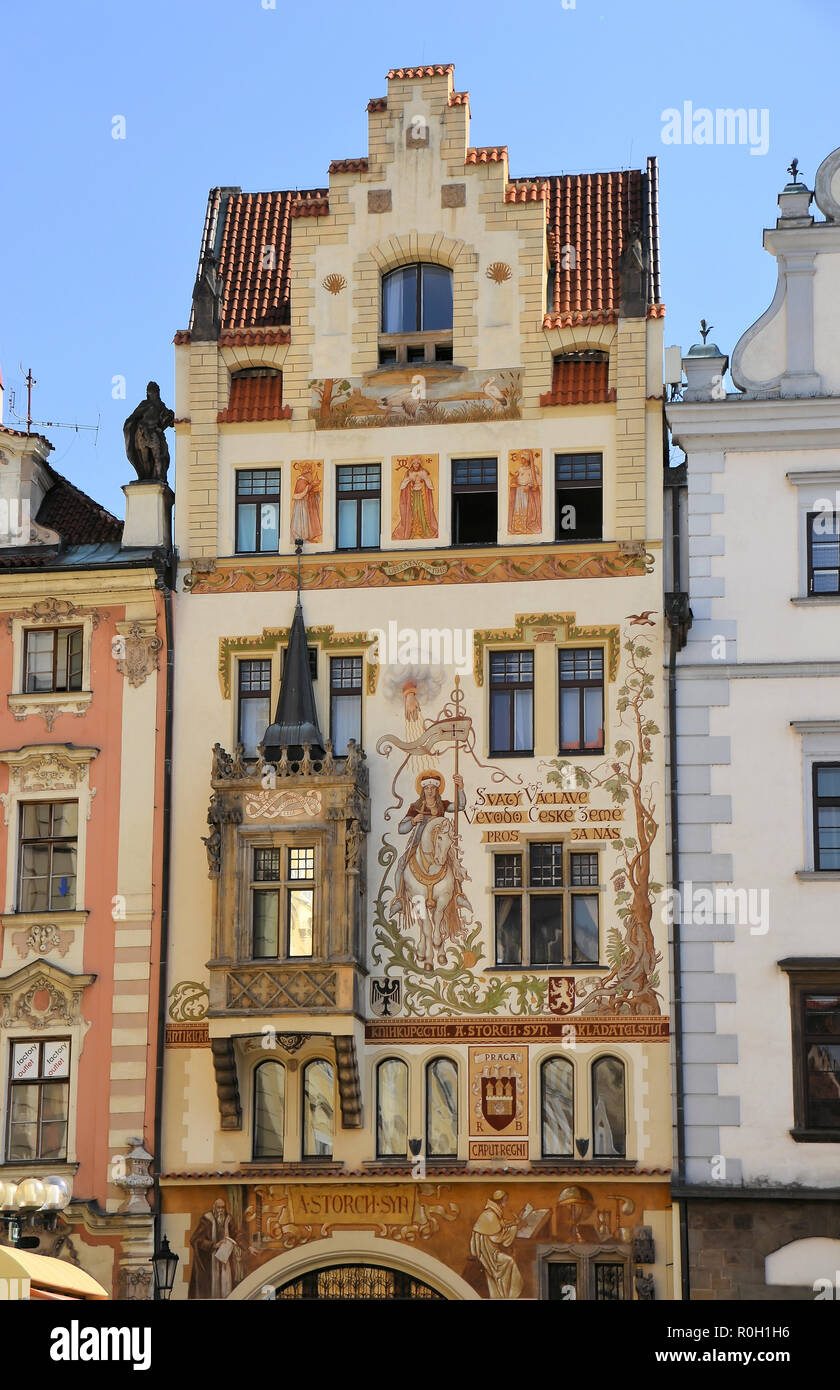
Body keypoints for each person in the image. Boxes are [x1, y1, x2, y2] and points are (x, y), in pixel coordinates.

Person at [390, 770, 468, 921]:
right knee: (401, 864)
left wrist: (460, 788)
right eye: (427, 788)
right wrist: (413, 821)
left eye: (433, 787)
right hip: (418, 842)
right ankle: (399, 898)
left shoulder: (442, 805)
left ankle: (458, 894)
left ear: (437, 789)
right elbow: (401, 828)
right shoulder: (416, 806)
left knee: (454, 864)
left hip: (439, 844)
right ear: (423, 789)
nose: (430, 790)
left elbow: (461, 806)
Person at [470, 1191, 523, 1299]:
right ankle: (509, 1295)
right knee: (509, 1261)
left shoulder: (493, 1213)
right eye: (506, 1200)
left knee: (509, 1261)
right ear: (500, 1201)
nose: (507, 1203)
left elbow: (500, 1224)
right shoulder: (489, 1215)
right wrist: (514, 1228)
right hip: (488, 1255)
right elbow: (498, 1237)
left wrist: (514, 1222)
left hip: (491, 1251)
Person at [188, 1198, 244, 1299]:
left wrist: (248, 1246)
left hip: (225, 1260)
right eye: (218, 1208)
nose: (221, 1210)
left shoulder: (228, 1219)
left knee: (226, 1286)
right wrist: (214, 1245)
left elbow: (237, 1235)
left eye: (223, 1208)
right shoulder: (206, 1220)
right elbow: (195, 1240)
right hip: (211, 1261)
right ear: (214, 1208)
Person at [393, 456, 438, 540]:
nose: (416, 465)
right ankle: (412, 530)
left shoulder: (423, 472)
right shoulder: (409, 473)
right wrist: (404, 486)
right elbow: (405, 482)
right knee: (413, 510)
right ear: (412, 464)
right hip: (413, 494)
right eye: (414, 463)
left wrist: (429, 486)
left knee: (422, 510)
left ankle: (424, 529)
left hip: (421, 494)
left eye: (417, 463)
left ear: (420, 464)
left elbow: (427, 480)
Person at [290, 462, 322, 542]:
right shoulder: (301, 480)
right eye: (309, 471)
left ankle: (309, 537)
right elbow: (301, 492)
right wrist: (312, 485)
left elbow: (309, 490)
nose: (311, 473)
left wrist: (316, 490)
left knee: (309, 521)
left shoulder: (308, 479)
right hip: (302, 504)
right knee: (304, 519)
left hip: (309, 502)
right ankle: (302, 537)